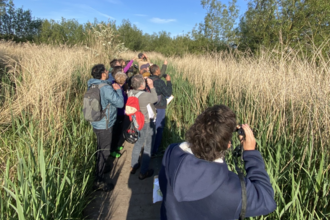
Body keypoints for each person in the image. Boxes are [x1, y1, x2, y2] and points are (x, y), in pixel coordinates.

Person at [159, 105, 277, 220]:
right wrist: (251, 153)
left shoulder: (171, 153)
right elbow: (267, 200)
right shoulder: (232, 191)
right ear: (227, 145)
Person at [87, 64, 124, 191]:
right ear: (103, 74)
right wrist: (118, 89)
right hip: (105, 124)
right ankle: (99, 180)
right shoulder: (106, 88)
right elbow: (119, 103)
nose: (108, 72)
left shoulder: (92, 84)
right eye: (106, 71)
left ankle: (100, 168)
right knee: (104, 151)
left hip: (95, 121)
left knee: (100, 148)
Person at [129, 74, 158, 180]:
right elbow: (155, 98)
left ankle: (134, 165)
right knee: (148, 146)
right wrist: (151, 85)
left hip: (137, 121)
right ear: (142, 85)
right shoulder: (145, 95)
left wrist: (142, 81)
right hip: (146, 122)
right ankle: (143, 172)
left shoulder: (130, 92)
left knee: (139, 142)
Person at [149, 60, 172, 156]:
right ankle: (154, 150)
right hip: (160, 106)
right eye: (159, 70)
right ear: (157, 71)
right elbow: (168, 93)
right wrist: (169, 81)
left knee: (150, 126)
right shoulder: (160, 82)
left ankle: (148, 146)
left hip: (150, 106)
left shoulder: (147, 80)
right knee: (159, 127)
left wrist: (164, 65)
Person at [110, 72, 129, 158]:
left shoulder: (115, 86)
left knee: (118, 131)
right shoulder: (118, 89)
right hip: (118, 113)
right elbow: (122, 101)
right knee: (116, 132)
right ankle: (113, 150)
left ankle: (116, 145)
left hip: (119, 113)